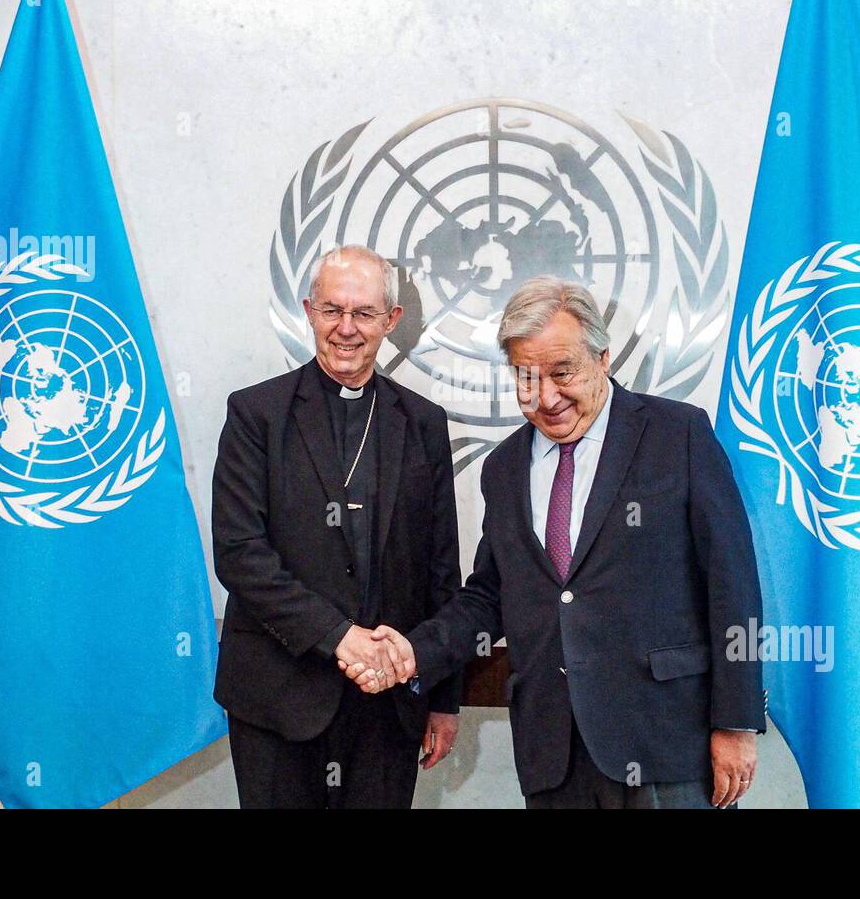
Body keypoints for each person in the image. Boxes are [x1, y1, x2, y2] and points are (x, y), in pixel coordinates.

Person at [347, 277, 766, 808]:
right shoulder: (503, 468)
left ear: (603, 358)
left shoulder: (677, 434)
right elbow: (489, 597)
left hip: (666, 742)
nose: (546, 398)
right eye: (526, 377)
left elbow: (733, 584)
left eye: (562, 372)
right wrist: (413, 651)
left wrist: (736, 723)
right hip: (554, 753)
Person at [212, 244, 460, 808]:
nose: (346, 329)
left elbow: (441, 568)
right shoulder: (257, 415)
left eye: (364, 314)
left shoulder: (422, 423)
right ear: (308, 310)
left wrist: (443, 697)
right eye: (332, 310)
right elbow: (240, 555)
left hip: (388, 704)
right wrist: (339, 637)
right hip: (279, 696)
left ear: (391, 321)